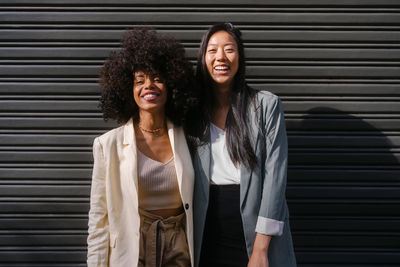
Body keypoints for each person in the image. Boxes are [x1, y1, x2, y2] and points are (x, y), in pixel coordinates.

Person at [189, 23, 297, 267]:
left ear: (240, 57)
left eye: (229, 49)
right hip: (205, 232)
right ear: (203, 57)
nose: (221, 57)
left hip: (256, 234)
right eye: (212, 50)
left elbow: (275, 180)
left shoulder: (265, 106)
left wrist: (260, 248)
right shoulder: (191, 112)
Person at [87, 28, 196, 267]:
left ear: (171, 85)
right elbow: (98, 219)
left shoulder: (189, 139)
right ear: (128, 89)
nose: (149, 85)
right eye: (140, 80)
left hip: (179, 248)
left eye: (157, 78)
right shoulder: (108, 146)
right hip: (132, 248)